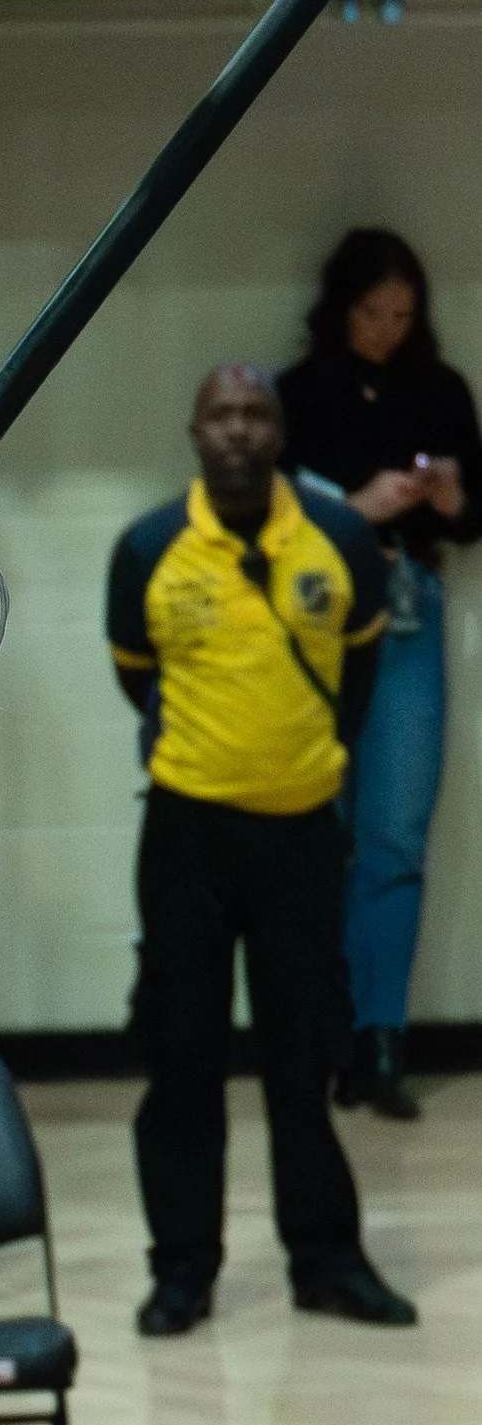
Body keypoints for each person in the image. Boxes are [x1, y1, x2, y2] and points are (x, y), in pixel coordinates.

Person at [108, 361, 415, 1337]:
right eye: (220, 414)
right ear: (194, 432)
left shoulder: (340, 539)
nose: (238, 430)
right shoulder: (149, 546)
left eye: (255, 414)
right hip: (187, 835)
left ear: (279, 433)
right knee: (182, 1057)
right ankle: (182, 1268)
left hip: (300, 840)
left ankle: (325, 1260)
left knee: (304, 1058)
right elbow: (136, 677)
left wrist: (298, 760)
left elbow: (359, 674)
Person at [279, 226, 482, 1123]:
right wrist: (354, 507)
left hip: (407, 601)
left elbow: (474, 519)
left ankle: (383, 1041)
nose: (387, 331)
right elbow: (266, 512)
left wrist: (446, 497)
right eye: (372, 313)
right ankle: (319, 1038)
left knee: (395, 832)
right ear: (341, 305)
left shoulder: (440, 393)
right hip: (318, 612)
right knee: (317, 829)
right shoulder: (294, 393)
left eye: (403, 316)